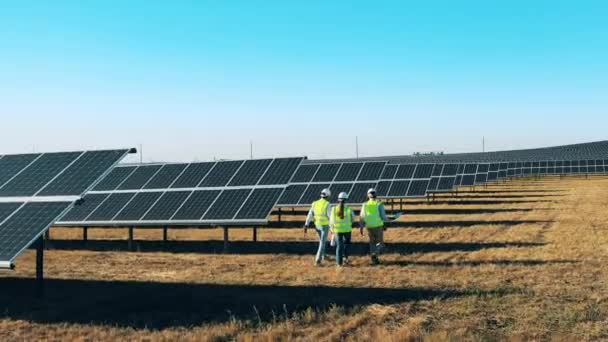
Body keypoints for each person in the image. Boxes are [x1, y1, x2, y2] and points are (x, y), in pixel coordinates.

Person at [360, 188, 389, 265]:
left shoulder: (364, 204)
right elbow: (383, 216)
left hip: (369, 226)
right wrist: (386, 223)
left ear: (368, 195)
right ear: (375, 195)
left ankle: (374, 256)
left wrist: (361, 227)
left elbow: (362, 216)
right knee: (380, 243)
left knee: (372, 242)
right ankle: (375, 255)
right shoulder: (379, 204)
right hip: (378, 226)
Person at [304, 188, 332, 265]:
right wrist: (333, 226)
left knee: (321, 241)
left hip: (317, 225)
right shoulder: (327, 204)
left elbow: (310, 214)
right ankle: (318, 260)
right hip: (324, 226)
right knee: (322, 242)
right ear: (328, 195)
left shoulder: (315, 203)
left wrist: (307, 224)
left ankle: (323, 255)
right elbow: (330, 216)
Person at [330, 192, 355, 267]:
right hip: (347, 230)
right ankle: (345, 258)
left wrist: (332, 230)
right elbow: (353, 219)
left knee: (339, 247)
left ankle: (339, 263)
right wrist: (349, 224)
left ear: (338, 200)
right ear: (346, 200)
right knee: (346, 244)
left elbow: (332, 221)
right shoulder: (349, 209)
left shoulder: (334, 209)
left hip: (337, 231)